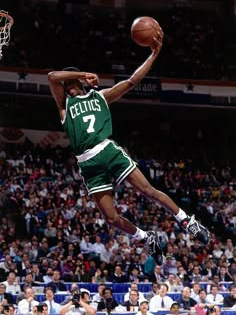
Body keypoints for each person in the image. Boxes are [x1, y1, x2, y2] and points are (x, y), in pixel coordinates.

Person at [48, 30, 210, 265]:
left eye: (72, 83)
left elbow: (132, 81)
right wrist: (83, 73)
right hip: (87, 163)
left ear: (80, 84)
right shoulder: (65, 105)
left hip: (108, 151)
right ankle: (147, 238)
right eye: (68, 83)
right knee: (111, 218)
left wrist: (153, 55)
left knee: (148, 190)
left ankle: (188, 221)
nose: (68, 86)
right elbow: (53, 76)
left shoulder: (101, 97)